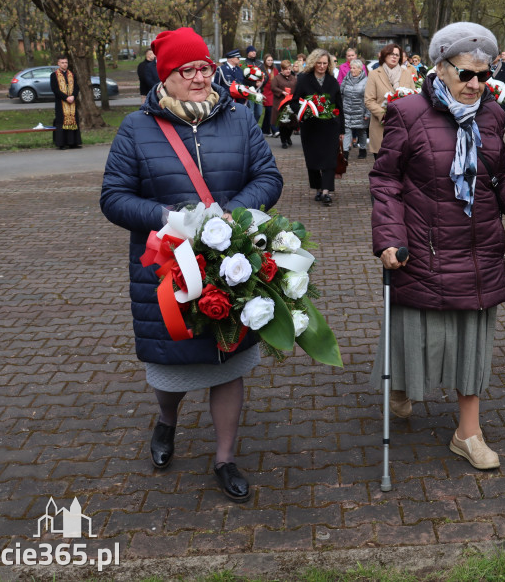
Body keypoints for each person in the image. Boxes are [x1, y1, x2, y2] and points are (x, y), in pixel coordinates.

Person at [100, 27, 283, 503]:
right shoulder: (136, 128)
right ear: (167, 76)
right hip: (166, 270)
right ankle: (166, 421)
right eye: (190, 70)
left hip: (231, 263)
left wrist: (234, 213)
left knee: (229, 358)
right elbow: (114, 198)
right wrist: (165, 217)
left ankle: (225, 457)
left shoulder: (240, 118)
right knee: (173, 364)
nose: (202, 77)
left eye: (206, 67)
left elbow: (268, 175)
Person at [370, 22, 505, 471]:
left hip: (478, 245)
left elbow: (497, 175)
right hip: (423, 245)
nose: (475, 84)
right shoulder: (407, 112)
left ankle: (467, 433)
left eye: (483, 76)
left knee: (471, 341)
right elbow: (386, 179)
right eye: (466, 74)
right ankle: (400, 387)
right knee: (416, 336)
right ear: (440, 68)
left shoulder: (491, 114)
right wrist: (390, 238)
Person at [289, 49, 344, 206]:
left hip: (330, 127)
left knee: (329, 160)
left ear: (329, 64)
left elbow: (340, 107)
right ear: (313, 63)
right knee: (313, 160)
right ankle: (318, 188)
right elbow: (294, 101)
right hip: (310, 128)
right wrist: (304, 110)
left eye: (325, 63)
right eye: (319, 63)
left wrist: (342, 129)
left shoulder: (333, 82)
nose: (321, 66)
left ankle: (326, 191)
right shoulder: (304, 80)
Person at [364, 44, 415, 159]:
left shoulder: (406, 74)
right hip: (381, 127)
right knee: (382, 165)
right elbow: (369, 100)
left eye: (397, 55)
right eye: (391, 54)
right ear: (384, 56)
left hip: (403, 127)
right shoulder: (374, 74)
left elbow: (413, 97)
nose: (394, 57)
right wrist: (384, 115)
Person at [340, 58, 370, 159]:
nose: (352, 70)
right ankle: (345, 152)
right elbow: (341, 92)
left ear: (360, 69)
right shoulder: (346, 78)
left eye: (354, 68)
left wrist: (367, 113)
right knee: (347, 130)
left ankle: (363, 150)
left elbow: (368, 98)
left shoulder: (366, 81)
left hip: (360, 111)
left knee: (361, 131)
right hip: (347, 110)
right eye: (351, 67)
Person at [50, 56, 82, 150]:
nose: (65, 64)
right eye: (62, 62)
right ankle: (62, 143)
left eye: (66, 62)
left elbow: (76, 87)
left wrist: (73, 96)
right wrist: (66, 97)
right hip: (61, 102)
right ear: (58, 64)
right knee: (61, 122)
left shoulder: (72, 74)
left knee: (73, 120)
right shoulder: (54, 75)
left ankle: (73, 143)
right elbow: (54, 89)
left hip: (72, 102)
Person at [270, 59, 298, 148]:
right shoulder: (277, 78)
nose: (288, 71)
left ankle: (288, 137)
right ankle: (283, 141)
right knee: (283, 124)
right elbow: (273, 87)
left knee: (292, 123)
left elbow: (297, 88)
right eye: (286, 69)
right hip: (280, 103)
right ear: (282, 69)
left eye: (289, 69)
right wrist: (281, 92)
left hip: (291, 103)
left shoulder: (293, 78)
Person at [240, 46, 264, 128]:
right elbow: (243, 78)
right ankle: (251, 128)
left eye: (255, 51)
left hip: (258, 91)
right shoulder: (244, 64)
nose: (254, 52)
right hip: (249, 91)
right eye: (252, 51)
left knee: (259, 112)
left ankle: (254, 126)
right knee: (251, 111)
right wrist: (254, 84)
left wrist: (261, 82)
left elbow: (265, 76)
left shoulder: (259, 63)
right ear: (248, 53)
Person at [260, 54, 278, 137]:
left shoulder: (275, 70)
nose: (270, 62)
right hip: (265, 93)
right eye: (268, 60)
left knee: (268, 112)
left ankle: (265, 130)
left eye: (271, 60)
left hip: (273, 93)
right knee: (269, 111)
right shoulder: (262, 69)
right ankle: (275, 130)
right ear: (265, 61)